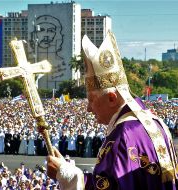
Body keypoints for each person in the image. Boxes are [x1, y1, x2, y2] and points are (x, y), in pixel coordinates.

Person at [46, 30, 178, 189]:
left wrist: (67, 175)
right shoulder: (156, 123)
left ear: (111, 98)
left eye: (92, 100)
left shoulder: (123, 135)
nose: (88, 108)